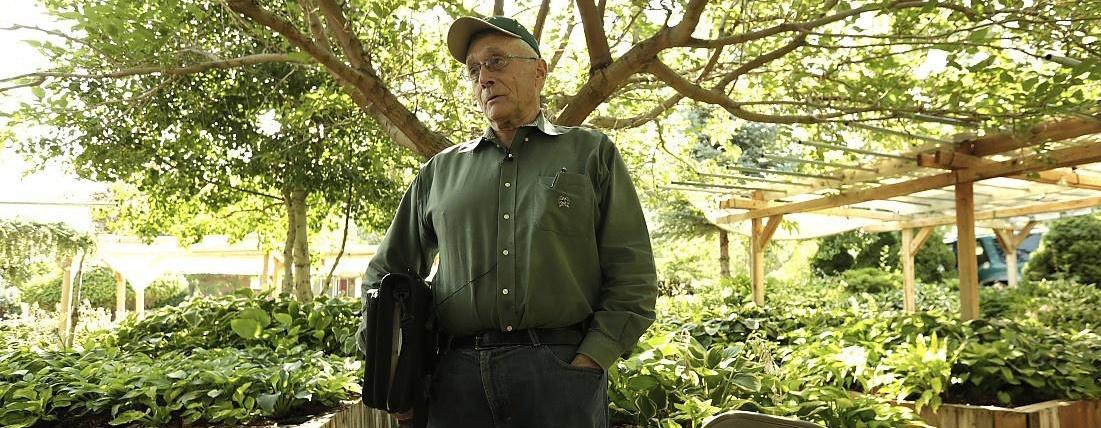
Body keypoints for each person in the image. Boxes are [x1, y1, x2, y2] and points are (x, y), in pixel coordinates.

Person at [358, 15, 657, 428]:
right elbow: (385, 275)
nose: (484, 78)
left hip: (561, 373)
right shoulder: (439, 172)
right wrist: (391, 372)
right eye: (473, 70)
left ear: (538, 71)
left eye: (496, 61)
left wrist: (591, 360)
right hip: (455, 380)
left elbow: (633, 274)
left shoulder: (591, 153)